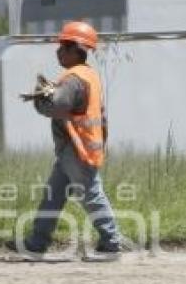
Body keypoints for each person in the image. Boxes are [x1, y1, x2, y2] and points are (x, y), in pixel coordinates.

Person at [7, 21, 122, 262]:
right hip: (75, 146)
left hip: (76, 147)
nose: (58, 51)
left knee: (91, 194)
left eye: (62, 47)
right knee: (53, 195)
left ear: (74, 50)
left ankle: (111, 244)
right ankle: (36, 243)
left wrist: (40, 100)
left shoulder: (72, 79)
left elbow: (57, 107)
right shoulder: (88, 74)